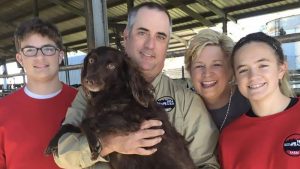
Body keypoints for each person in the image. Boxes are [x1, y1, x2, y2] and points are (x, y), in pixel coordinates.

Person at [53, 2, 219, 169]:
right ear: (126, 36)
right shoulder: (91, 93)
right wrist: (109, 143)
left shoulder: (187, 102)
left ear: (167, 44)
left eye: (160, 37)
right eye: (142, 33)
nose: (150, 45)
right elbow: (62, 154)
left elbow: (206, 164)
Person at [0, 18, 77, 169]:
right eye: (30, 50)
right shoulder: (2, 110)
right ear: (20, 58)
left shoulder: (83, 102)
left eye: (48, 49)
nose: (39, 57)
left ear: (60, 56)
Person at [219, 32, 298, 168]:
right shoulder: (229, 137)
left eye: (263, 65)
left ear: (281, 69)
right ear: (236, 78)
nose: (253, 76)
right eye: (243, 70)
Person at [185, 29, 250, 130]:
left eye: (216, 65)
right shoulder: (184, 106)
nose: (207, 73)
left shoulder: (250, 101)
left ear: (231, 69)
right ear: (189, 70)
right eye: (199, 66)